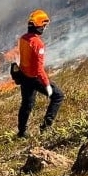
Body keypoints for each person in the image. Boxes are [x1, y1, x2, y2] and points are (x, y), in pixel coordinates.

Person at [16, 9, 64, 138]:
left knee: (26, 104)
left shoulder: (23, 38)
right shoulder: (38, 43)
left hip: (24, 76)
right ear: (38, 25)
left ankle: (22, 132)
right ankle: (46, 127)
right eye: (43, 25)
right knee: (58, 96)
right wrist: (47, 84)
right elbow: (39, 69)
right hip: (34, 78)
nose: (44, 28)